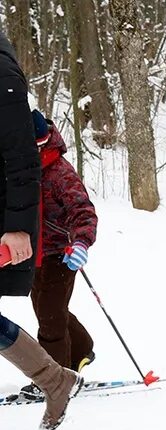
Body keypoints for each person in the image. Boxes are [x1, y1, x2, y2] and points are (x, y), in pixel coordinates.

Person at [1, 30, 81, 430]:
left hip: (25, 232)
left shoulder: (1, 70)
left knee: (50, 315)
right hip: (20, 232)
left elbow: (21, 156)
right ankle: (56, 378)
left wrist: (18, 226)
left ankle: (60, 373)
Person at [18, 110, 97, 399]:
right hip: (31, 253)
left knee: (50, 316)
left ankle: (54, 380)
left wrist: (81, 244)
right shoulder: (19, 171)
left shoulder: (60, 172)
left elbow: (84, 212)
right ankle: (81, 349)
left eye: (37, 146)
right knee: (46, 308)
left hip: (61, 255)